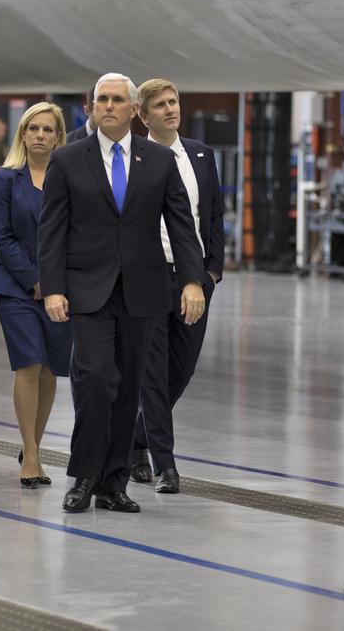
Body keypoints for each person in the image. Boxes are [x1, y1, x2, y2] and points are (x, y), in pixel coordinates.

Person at [38, 73, 206, 514]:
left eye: (117, 100)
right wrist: (53, 288)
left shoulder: (157, 159)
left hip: (142, 291)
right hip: (87, 291)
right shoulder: (69, 159)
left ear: (134, 110)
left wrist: (192, 279)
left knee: (129, 386)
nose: (108, 106)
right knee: (95, 378)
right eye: (101, 99)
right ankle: (84, 476)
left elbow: (182, 225)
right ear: (92, 107)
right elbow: (51, 231)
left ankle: (113, 484)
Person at [129, 79, 225, 494]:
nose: (171, 110)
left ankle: (135, 438)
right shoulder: (134, 158)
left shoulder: (202, 156)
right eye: (161, 105)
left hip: (194, 279)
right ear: (144, 115)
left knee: (180, 370)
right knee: (153, 372)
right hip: (150, 276)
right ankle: (165, 464)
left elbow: (215, 215)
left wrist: (212, 271)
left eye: (174, 102)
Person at [0, 102, 71, 487]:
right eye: (33, 128)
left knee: (52, 370)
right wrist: (35, 280)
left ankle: (33, 444)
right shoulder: (6, 179)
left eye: (48, 129)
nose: (40, 135)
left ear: (58, 137)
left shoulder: (69, 177)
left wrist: (54, 282)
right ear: (23, 134)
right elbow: (2, 236)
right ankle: (31, 456)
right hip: (17, 287)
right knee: (29, 364)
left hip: (62, 289)